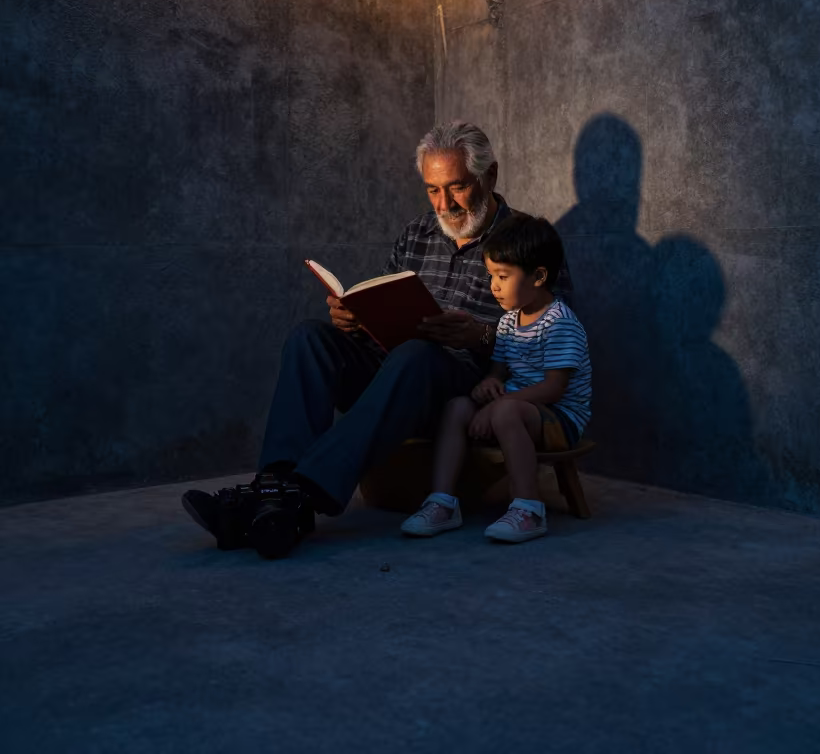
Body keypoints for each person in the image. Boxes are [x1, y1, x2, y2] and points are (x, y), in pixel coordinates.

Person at [181, 122, 572, 558]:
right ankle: (274, 488)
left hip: (465, 388)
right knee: (310, 338)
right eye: (432, 190)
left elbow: (555, 332)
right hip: (394, 377)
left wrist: (480, 336)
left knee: (418, 355)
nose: (444, 204)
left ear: (490, 176)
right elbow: (385, 306)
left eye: (457, 187)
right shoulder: (417, 234)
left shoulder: (527, 240)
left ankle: (296, 495)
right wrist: (355, 319)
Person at [400, 214, 591, 544]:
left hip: (560, 418)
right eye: (491, 276)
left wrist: (498, 405)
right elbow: (499, 371)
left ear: (538, 276)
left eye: (503, 276)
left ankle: (528, 509)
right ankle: (442, 502)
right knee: (458, 407)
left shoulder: (559, 322)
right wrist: (488, 385)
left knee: (505, 412)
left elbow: (554, 388)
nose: (494, 286)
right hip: (518, 407)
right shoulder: (507, 322)